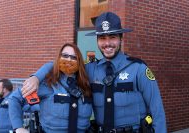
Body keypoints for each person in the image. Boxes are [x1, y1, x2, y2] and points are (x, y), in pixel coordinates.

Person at [21, 12, 167, 133]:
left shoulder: (138, 69)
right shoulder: (90, 69)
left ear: (121, 38)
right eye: (102, 38)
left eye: (113, 37)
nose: (107, 43)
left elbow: (157, 109)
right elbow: (62, 66)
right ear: (97, 41)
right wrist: (36, 76)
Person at [12, 43, 92, 133]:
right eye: (65, 55)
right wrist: (18, 127)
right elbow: (15, 98)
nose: (69, 59)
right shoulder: (48, 83)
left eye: (74, 57)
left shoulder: (87, 84)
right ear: (59, 58)